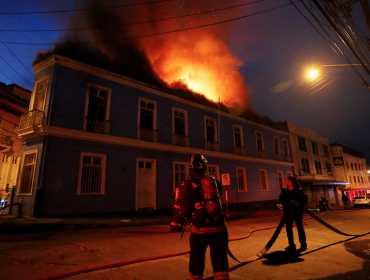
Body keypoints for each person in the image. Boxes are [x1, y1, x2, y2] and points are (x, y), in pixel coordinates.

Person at [180, 153, 229, 280]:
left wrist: (190, 219)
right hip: (219, 227)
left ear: (191, 167)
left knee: (197, 256)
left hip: (200, 228)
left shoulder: (187, 184)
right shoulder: (214, 181)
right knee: (219, 256)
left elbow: (184, 208)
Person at [279, 176, 308, 252]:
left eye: (286, 179)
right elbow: (281, 199)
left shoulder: (298, 190)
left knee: (300, 227)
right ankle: (291, 244)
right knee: (288, 228)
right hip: (288, 213)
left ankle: (303, 243)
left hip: (297, 212)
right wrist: (289, 201)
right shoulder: (284, 190)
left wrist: (297, 203)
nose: (285, 180)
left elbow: (304, 199)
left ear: (291, 181)